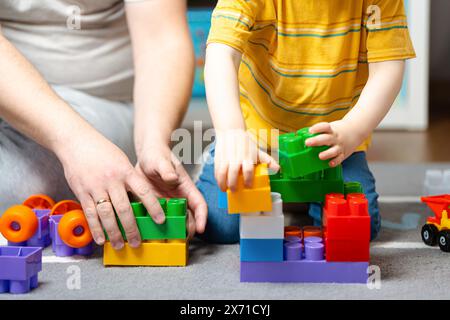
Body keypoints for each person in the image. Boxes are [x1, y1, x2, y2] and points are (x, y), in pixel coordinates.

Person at [197, 0, 416, 243]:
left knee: (358, 226)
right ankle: (236, 161)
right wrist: (232, 133)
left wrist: (353, 130)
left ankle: (301, 197)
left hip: (334, 143)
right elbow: (221, 54)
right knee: (218, 224)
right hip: (256, 138)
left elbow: (388, 68)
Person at [0, 0, 207, 250]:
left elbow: (161, 39)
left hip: (100, 104)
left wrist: (153, 143)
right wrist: (75, 141)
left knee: (22, 184)